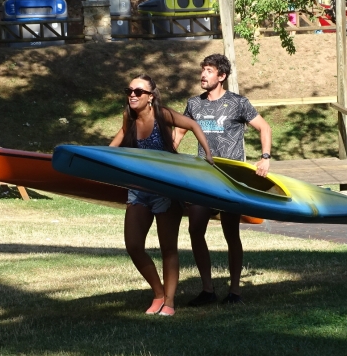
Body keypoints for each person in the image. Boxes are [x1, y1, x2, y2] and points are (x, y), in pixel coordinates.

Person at [110, 74, 214, 317]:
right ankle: (157, 293)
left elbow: (193, 125)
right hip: (138, 190)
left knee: (168, 248)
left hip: (166, 190)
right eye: (129, 90)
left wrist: (207, 155)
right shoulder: (129, 118)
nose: (132, 95)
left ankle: (169, 302)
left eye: (138, 91)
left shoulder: (162, 115)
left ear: (150, 97)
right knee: (133, 245)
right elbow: (113, 146)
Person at [175, 54, 272, 306]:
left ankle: (235, 291)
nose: (203, 75)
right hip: (203, 177)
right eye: (202, 70)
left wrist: (265, 157)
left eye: (209, 70)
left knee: (231, 233)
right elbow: (178, 134)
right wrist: (168, 154)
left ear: (222, 76)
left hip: (230, 178)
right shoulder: (194, 104)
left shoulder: (238, 103)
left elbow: (264, 128)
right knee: (195, 229)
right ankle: (208, 290)